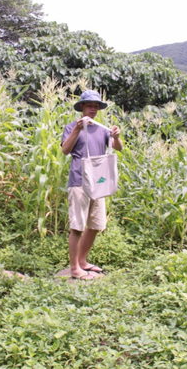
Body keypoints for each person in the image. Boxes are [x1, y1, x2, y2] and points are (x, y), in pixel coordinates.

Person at [61, 90, 123, 280]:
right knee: (78, 226)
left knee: (96, 224)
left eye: (96, 106)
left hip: (99, 182)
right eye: (89, 106)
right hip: (79, 181)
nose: (93, 109)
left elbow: (118, 147)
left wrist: (117, 136)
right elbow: (65, 150)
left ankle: (82, 261)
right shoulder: (72, 127)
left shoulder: (103, 129)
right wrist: (77, 130)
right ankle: (74, 268)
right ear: (82, 107)